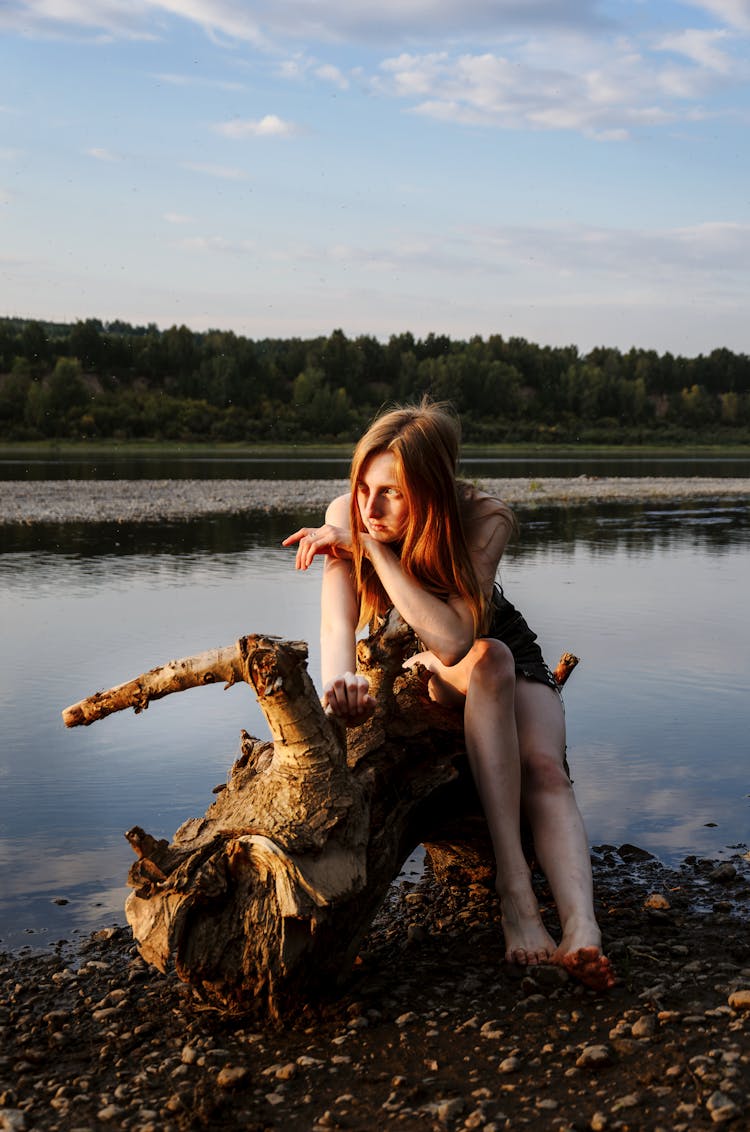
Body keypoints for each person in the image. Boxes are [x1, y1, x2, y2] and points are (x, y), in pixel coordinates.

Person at [283, 399, 614, 990]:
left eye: (392, 493)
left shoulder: (486, 517)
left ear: (433, 490)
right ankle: (517, 897)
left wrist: (374, 550)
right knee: (490, 662)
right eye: (363, 487)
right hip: (411, 660)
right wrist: (342, 685)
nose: (369, 507)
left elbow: (459, 637)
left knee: (543, 764)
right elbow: (338, 628)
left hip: (491, 648)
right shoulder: (347, 513)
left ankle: (582, 930)